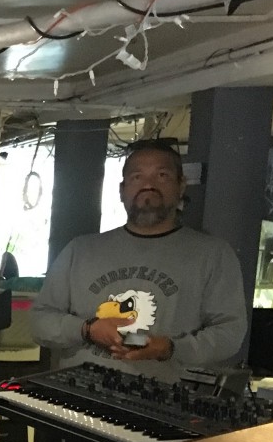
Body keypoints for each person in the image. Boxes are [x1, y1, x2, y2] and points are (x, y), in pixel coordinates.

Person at [32, 139, 247, 381]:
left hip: (166, 405)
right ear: (122, 191)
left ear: (181, 186)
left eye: (162, 175)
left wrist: (170, 349)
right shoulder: (79, 250)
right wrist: (87, 330)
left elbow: (230, 334)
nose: (148, 185)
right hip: (77, 399)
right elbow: (41, 322)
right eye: (137, 177)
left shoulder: (213, 255)